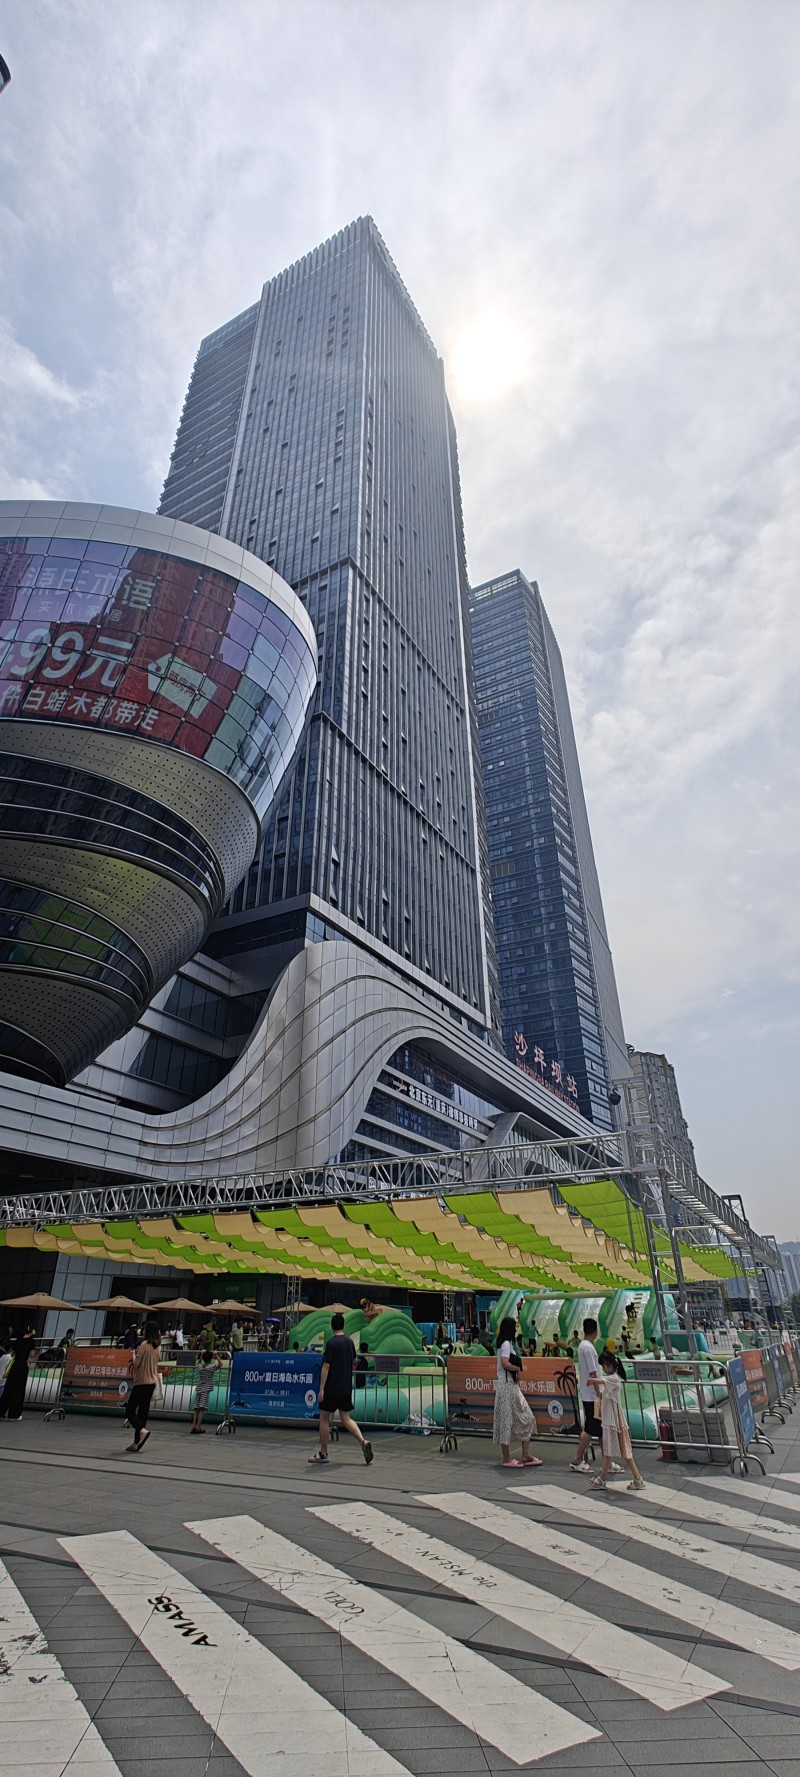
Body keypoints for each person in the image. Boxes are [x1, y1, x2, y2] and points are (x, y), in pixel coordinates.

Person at [309, 1312, 373, 1466]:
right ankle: (363, 1442)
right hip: (345, 1387)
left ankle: (323, 1453)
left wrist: (321, 1389)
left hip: (331, 1387)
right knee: (346, 1419)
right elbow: (354, 1360)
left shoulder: (331, 1343)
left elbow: (326, 1366)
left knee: (324, 1418)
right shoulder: (349, 1342)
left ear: (332, 1327)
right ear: (343, 1326)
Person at [492, 1315, 543, 1470]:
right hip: (508, 1387)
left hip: (507, 1387)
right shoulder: (506, 1344)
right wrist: (517, 1369)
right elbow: (504, 1363)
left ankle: (522, 1455)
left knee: (519, 1418)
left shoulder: (503, 1344)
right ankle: (509, 1457)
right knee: (512, 1420)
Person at [591, 1349, 644, 1490]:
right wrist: (595, 1383)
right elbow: (601, 1391)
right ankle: (637, 1478)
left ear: (609, 1365)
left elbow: (598, 1381)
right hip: (614, 1420)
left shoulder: (613, 1379)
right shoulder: (612, 1379)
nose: (603, 1368)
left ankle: (601, 1479)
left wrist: (592, 1379)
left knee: (609, 1451)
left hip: (612, 1421)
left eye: (604, 1365)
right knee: (622, 1451)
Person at [569, 1316, 609, 1474]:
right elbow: (593, 1373)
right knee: (591, 1428)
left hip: (589, 1395)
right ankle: (577, 1459)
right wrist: (599, 1393)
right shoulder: (589, 1348)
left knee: (600, 1428)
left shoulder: (583, 1346)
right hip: (592, 1396)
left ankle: (607, 1461)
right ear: (595, 1331)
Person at [126, 1320, 161, 1453]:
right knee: (143, 1412)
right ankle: (137, 1442)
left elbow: (136, 1364)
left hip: (141, 1382)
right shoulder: (158, 1346)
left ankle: (142, 1431)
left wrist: (133, 1354)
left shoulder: (144, 1345)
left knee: (129, 1410)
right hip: (152, 1382)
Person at [0, 1326, 36, 1421]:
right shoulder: (31, 1342)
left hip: (15, 1365)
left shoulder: (18, 1340)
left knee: (9, 1388)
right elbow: (32, 1355)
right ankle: (14, 1414)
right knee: (19, 1390)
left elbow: (13, 1351)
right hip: (23, 1365)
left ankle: (1, 1411)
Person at [191, 1348, 220, 1434]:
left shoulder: (200, 1367)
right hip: (206, 1389)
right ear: (211, 1359)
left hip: (199, 1388)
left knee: (196, 1409)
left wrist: (201, 1355)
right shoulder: (211, 1367)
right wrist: (216, 1356)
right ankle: (198, 1426)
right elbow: (221, 1364)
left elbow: (198, 1363)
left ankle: (193, 1425)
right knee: (202, 1408)